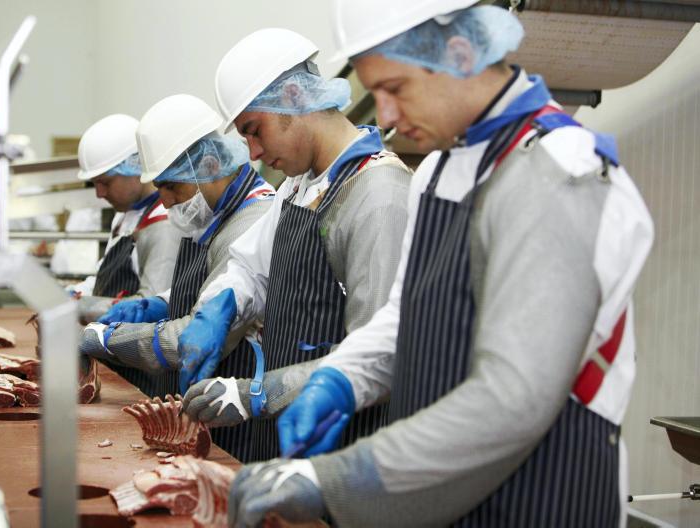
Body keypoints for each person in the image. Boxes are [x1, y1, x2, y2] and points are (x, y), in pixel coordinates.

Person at [227, 2, 655, 527]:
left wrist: (334, 479)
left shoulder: (562, 171)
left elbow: (513, 399)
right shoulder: (437, 173)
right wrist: (339, 378)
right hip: (433, 495)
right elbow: (404, 318)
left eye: (395, 88)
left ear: (460, 54)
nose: (385, 117)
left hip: (541, 498)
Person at [177, 28, 412, 462]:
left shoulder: (379, 193)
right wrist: (221, 306)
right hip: (285, 433)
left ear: (293, 97)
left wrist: (259, 393)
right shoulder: (298, 186)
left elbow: (381, 355)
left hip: (341, 444)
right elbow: (251, 268)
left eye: (255, 130)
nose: (252, 152)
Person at [78, 94, 275, 461]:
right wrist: (157, 303)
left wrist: (109, 340)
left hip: (235, 416)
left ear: (211, 165)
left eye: (172, 186)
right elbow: (207, 289)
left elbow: (195, 334)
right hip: (202, 408)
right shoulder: (214, 213)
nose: (165, 201)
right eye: (160, 188)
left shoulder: (252, 219)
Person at [71, 114, 179, 322]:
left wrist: (81, 307)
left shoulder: (165, 224)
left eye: (105, 183)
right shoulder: (125, 216)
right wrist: (76, 293)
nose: (99, 194)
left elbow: (150, 305)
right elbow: (104, 279)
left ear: (136, 166)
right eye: (94, 184)